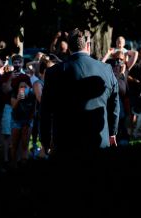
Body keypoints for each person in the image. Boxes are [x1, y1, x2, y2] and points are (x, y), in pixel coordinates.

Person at [40, 28, 120, 157]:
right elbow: (114, 104)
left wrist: (45, 140)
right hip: (99, 139)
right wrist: (112, 132)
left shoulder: (54, 72)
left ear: (69, 47)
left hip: (66, 142)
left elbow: (45, 110)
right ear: (88, 45)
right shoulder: (106, 69)